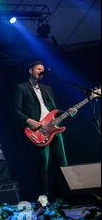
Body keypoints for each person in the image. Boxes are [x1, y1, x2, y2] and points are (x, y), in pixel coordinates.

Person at [14, 60, 77, 206]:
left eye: (43, 69)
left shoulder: (47, 88)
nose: (41, 71)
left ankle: (68, 194)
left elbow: (53, 110)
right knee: (44, 163)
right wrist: (28, 120)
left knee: (63, 161)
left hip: (53, 128)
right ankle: (43, 195)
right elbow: (16, 110)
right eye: (38, 69)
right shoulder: (21, 88)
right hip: (38, 130)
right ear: (31, 70)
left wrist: (68, 112)